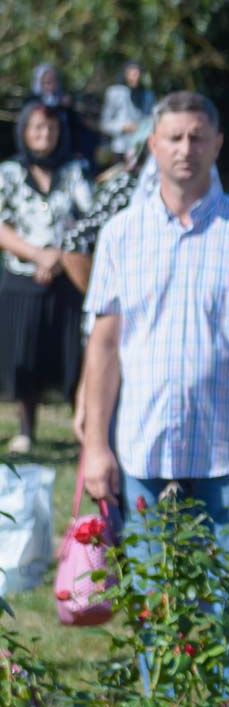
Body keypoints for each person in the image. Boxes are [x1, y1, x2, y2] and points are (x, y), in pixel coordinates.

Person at [79, 91, 229, 707]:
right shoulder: (122, 234)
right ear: (152, 145)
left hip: (228, 450)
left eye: (198, 137)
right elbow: (104, 344)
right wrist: (95, 445)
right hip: (143, 447)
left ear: (218, 143)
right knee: (154, 598)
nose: (185, 149)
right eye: (173, 137)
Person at [0, 102, 92, 453]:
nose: (45, 134)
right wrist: (36, 254)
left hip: (67, 273)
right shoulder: (9, 172)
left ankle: (83, 429)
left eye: (51, 128)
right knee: (25, 353)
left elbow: (89, 217)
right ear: (24, 132)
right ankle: (26, 429)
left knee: (72, 355)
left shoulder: (75, 170)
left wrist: (58, 255)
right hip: (22, 277)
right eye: (37, 128)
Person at [99, 61, 156, 160]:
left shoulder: (148, 95)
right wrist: (123, 127)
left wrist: (143, 128)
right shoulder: (114, 93)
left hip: (141, 148)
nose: (135, 78)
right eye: (132, 74)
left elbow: (152, 120)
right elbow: (104, 124)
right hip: (120, 149)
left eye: (138, 74)